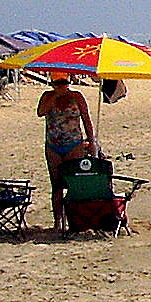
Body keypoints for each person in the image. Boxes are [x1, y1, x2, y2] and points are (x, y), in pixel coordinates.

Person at [38, 74, 96, 225]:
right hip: (53, 145)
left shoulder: (77, 96)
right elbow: (41, 112)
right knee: (56, 184)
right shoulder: (47, 96)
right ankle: (58, 221)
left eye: (64, 83)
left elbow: (86, 119)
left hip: (74, 144)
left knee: (74, 183)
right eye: (57, 83)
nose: (61, 86)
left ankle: (75, 219)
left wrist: (92, 142)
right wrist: (55, 96)